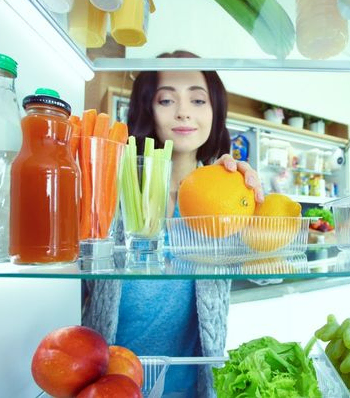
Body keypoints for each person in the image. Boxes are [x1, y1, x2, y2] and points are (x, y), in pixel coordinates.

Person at [82, 50, 264, 398]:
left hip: (190, 386)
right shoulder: (113, 190)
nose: (183, 111)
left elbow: (267, 273)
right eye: (166, 99)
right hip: (107, 382)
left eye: (198, 99)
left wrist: (256, 203)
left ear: (215, 111)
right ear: (146, 107)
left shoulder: (225, 196)